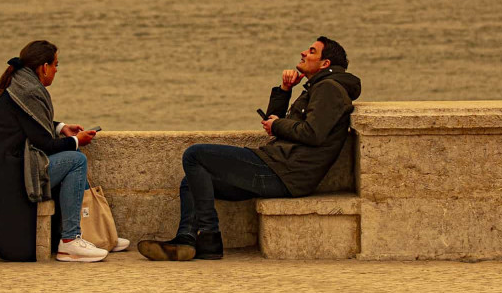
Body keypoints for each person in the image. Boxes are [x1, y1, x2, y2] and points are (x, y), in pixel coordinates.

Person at [138, 37, 361, 262]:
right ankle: (187, 240)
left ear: (324, 63)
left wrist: (278, 124)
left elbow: (313, 133)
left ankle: (210, 236)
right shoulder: (319, 87)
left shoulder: (329, 89)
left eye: (312, 51)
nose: (303, 52)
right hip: (281, 167)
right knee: (191, 182)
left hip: (284, 171)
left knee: (195, 155)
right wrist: (284, 90)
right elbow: (274, 128)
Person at [0, 40, 129, 262]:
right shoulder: (29, 91)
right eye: (56, 64)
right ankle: (69, 242)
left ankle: (96, 234)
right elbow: (45, 143)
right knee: (75, 160)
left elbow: (30, 123)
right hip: (2, 176)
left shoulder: (20, 86)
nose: (57, 70)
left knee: (72, 160)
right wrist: (76, 140)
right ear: (44, 67)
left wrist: (61, 127)